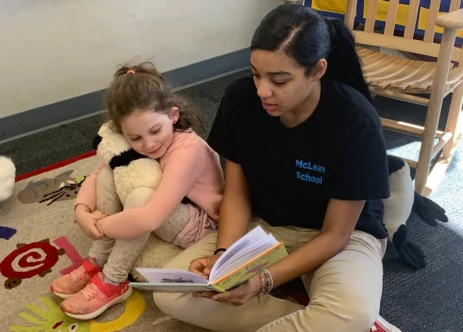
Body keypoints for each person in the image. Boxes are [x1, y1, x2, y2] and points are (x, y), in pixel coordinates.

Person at [153, 4, 392, 332]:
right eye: (255, 74)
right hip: (266, 228)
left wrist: (262, 282)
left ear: (318, 70)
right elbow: (236, 194)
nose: (263, 90)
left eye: (279, 80)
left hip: (340, 236)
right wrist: (224, 259)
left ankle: (327, 320)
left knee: (353, 314)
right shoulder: (240, 99)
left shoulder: (355, 120)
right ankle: (314, 320)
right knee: (171, 295)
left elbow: (335, 235)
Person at [49, 62, 225, 320]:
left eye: (155, 130)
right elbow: (99, 173)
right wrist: (83, 211)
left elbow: (151, 216)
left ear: (173, 116)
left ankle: (114, 279)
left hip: (202, 227)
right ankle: (98, 259)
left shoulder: (187, 150)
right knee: (114, 170)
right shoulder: (138, 135)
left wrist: (101, 226)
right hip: (173, 212)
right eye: (135, 138)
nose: (149, 144)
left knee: (143, 196)